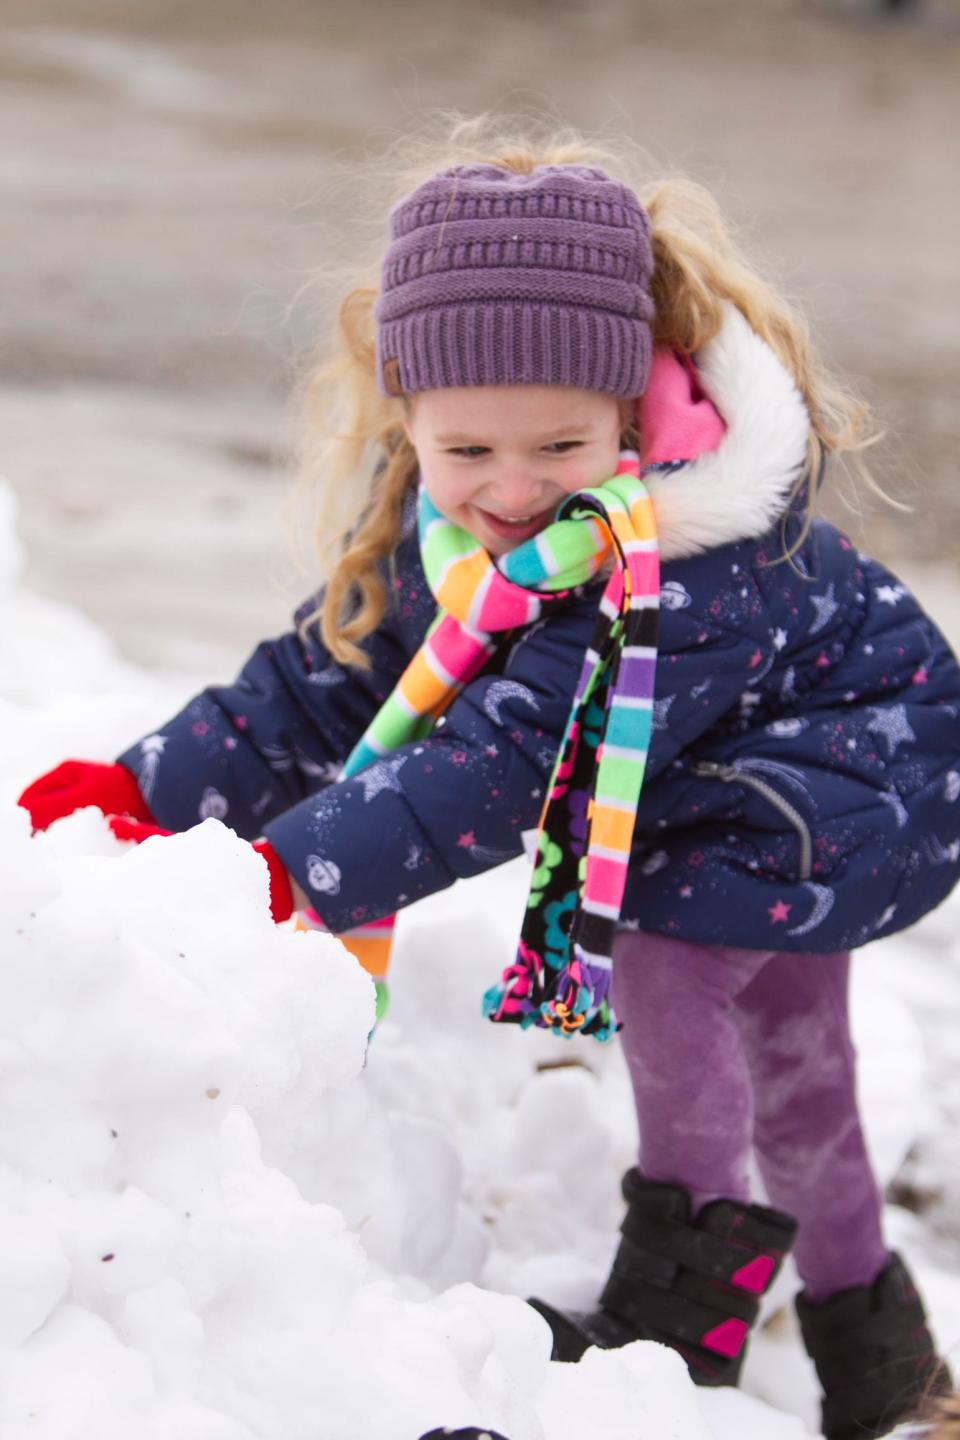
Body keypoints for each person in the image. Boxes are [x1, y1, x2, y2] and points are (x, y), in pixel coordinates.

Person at [18, 126, 959, 1440]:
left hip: (857, 775)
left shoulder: (676, 562)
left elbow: (490, 767)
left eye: (560, 448)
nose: (510, 492)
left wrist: (274, 878)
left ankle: (677, 1325)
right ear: (406, 412)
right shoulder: (453, 530)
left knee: (682, 978)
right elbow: (323, 677)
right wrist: (135, 793)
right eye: (467, 453)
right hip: (739, 773)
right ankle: (887, 1365)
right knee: (798, 1061)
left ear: (635, 412)